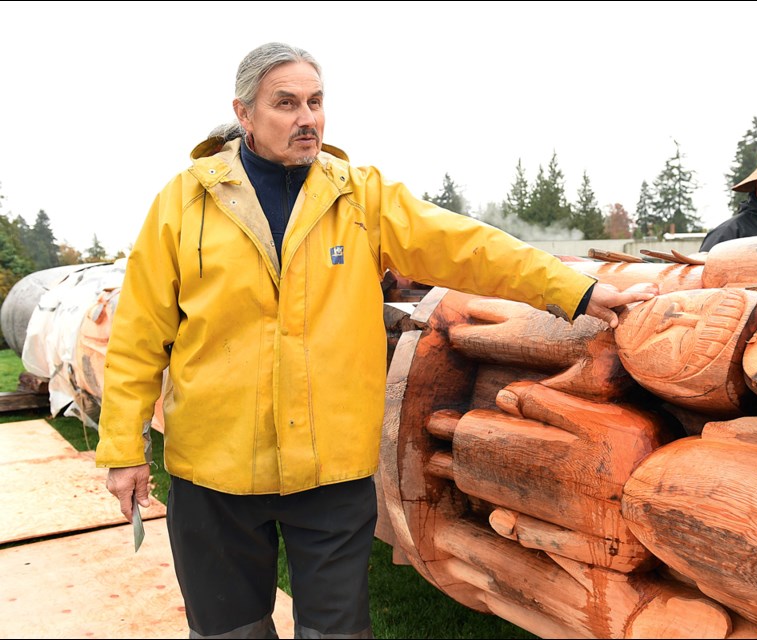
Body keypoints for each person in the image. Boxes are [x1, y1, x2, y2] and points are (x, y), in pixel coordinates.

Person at [94, 42, 658, 639]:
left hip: (330, 468)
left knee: (337, 631)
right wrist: (123, 451)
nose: (306, 117)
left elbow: (468, 245)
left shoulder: (359, 197)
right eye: (285, 103)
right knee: (228, 630)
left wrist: (573, 288)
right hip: (213, 469)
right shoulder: (183, 204)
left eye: (315, 101)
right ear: (244, 113)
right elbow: (138, 336)